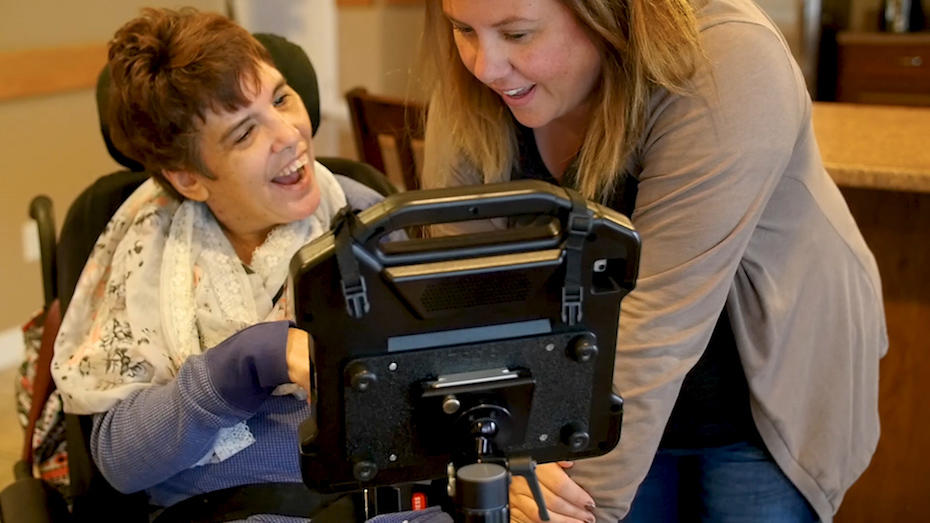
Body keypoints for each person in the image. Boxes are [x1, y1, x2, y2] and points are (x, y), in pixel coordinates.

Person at [419, 0, 888, 521]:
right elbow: (459, 301)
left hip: (759, 404)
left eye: (518, 33)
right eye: (463, 29)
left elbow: (660, 323)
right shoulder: (477, 87)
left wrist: (568, 510)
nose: (485, 66)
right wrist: (501, 452)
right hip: (582, 397)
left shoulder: (727, 56)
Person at [49, 8, 448, 523]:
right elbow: (121, 463)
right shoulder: (142, 256)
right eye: (243, 134)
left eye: (282, 98)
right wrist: (247, 363)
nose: (288, 134)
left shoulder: (367, 218)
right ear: (190, 177)